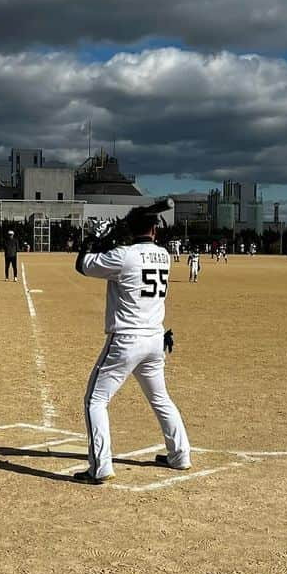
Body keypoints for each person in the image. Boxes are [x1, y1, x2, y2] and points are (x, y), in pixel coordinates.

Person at [74, 205, 191, 483]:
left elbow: (83, 265)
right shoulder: (164, 255)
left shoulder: (123, 256)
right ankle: (180, 454)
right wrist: (113, 237)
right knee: (160, 398)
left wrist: (96, 238)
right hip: (154, 340)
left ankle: (100, 467)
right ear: (154, 229)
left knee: (95, 400)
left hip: (126, 340)